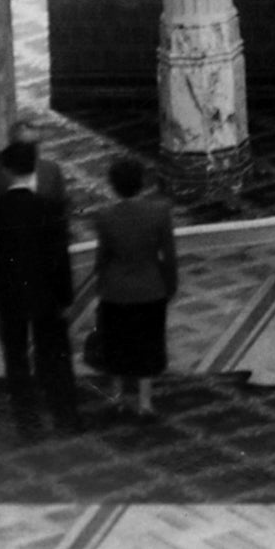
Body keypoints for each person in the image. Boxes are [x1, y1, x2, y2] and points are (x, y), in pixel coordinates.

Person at [0, 139, 82, 436]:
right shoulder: (50, 208)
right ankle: (65, 417)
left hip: (9, 297)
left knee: (16, 359)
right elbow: (60, 257)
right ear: (34, 168)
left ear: (6, 171)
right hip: (46, 294)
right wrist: (65, 295)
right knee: (55, 357)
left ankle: (28, 424)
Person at [86, 155, 177, 421]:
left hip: (115, 291)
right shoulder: (160, 212)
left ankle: (118, 399)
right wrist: (169, 287)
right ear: (142, 182)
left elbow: (102, 258)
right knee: (148, 344)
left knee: (116, 344)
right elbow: (169, 256)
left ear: (113, 185)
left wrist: (101, 285)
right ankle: (145, 403)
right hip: (151, 288)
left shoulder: (104, 216)